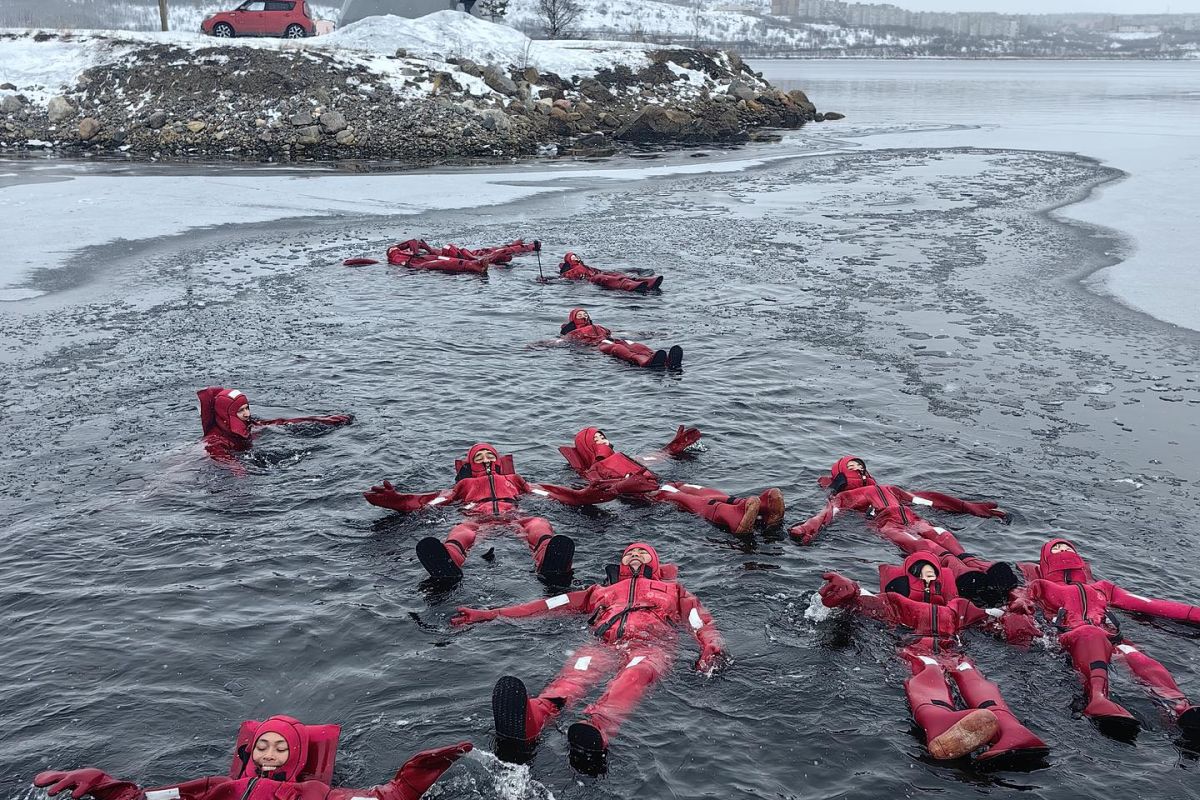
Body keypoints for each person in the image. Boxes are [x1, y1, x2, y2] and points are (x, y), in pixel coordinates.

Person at [452, 543, 724, 774]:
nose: (635, 555)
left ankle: (597, 726)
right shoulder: (599, 592)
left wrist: (710, 646)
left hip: (651, 647)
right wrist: (490, 614)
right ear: (621, 564)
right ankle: (536, 715)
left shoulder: (675, 591)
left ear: (655, 563)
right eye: (629, 553)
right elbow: (548, 605)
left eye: (643, 553)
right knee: (573, 677)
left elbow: (699, 621)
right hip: (603, 646)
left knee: (635, 675)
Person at [817, 555, 1048, 765]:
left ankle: (1011, 730)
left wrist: (1016, 612)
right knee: (929, 673)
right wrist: (851, 591)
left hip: (953, 651)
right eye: (919, 573)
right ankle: (939, 720)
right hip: (917, 648)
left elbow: (992, 618)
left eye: (932, 573)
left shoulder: (959, 607)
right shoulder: (896, 602)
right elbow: (866, 602)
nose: (927, 578)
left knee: (973, 677)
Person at [33, 714, 471, 800]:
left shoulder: (314, 793)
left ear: (297, 755)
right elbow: (145, 799)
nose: (270, 754)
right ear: (251, 751)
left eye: (281, 747)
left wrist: (416, 773)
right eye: (263, 745)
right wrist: (102, 782)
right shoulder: (218, 787)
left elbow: (383, 799)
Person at [1011, 538, 1200, 737]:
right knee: (1090, 633)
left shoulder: (1102, 587)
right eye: (1056, 549)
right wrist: (1021, 603)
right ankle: (1098, 698)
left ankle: (1177, 706)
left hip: (1110, 638)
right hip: (1068, 636)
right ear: (1045, 560)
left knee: (1139, 657)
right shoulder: (1041, 585)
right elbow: (1022, 598)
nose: (1063, 551)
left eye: (1067, 547)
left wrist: (1194, 613)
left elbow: (1149, 604)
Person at [363, 443, 623, 582]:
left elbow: (551, 493)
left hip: (514, 516)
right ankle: (448, 561)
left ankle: (549, 559)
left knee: (538, 523)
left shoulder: (515, 480)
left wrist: (584, 495)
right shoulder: (462, 485)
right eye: (479, 457)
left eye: (490, 455)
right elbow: (429, 501)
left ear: (498, 461)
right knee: (462, 530)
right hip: (477, 518)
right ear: (470, 463)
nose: (486, 459)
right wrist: (398, 501)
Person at [790, 456, 1016, 604]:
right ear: (841, 475)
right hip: (888, 524)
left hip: (914, 518)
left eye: (860, 465)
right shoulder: (845, 496)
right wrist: (807, 527)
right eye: (851, 466)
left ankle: (982, 569)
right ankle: (963, 577)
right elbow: (827, 513)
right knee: (923, 545)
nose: (859, 468)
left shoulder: (890, 489)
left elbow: (926, 500)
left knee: (943, 535)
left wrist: (968, 507)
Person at [559, 426, 784, 535]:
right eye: (595, 439)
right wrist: (621, 486)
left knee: (697, 489)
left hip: (659, 483)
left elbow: (654, 457)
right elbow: (596, 491)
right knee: (682, 498)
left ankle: (755, 506)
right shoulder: (593, 470)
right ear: (587, 447)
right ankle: (730, 515)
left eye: (602, 436)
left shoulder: (625, 457)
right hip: (647, 495)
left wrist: (673, 447)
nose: (602, 439)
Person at [197, 387, 352, 471]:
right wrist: (241, 476)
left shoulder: (249, 425)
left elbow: (281, 423)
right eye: (241, 411)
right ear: (226, 414)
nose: (247, 414)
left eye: (247, 408)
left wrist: (327, 420)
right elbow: (225, 461)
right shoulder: (214, 441)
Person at [558, 308, 682, 370]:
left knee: (633, 344)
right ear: (573, 319)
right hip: (598, 346)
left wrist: (648, 334)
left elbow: (618, 332)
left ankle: (662, 358)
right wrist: (547, 344)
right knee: (617, 348)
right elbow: (561, 341)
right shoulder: (573, 333)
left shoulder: (599, 327)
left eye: (585, 314)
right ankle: (643, 361)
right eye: (580, 315)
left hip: (612, 339)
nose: (584, 316)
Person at [557, 252, 663, 293]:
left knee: (615, 275)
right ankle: (630, 285)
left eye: (576, 256)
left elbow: (597, 270)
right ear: (569, 261)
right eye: (573, 257)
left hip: (597, 274)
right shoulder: (569, 272)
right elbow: (561, 279)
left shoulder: (586, 266)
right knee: (607, 279)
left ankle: (646, 282)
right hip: (591, 279)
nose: (576, 258)